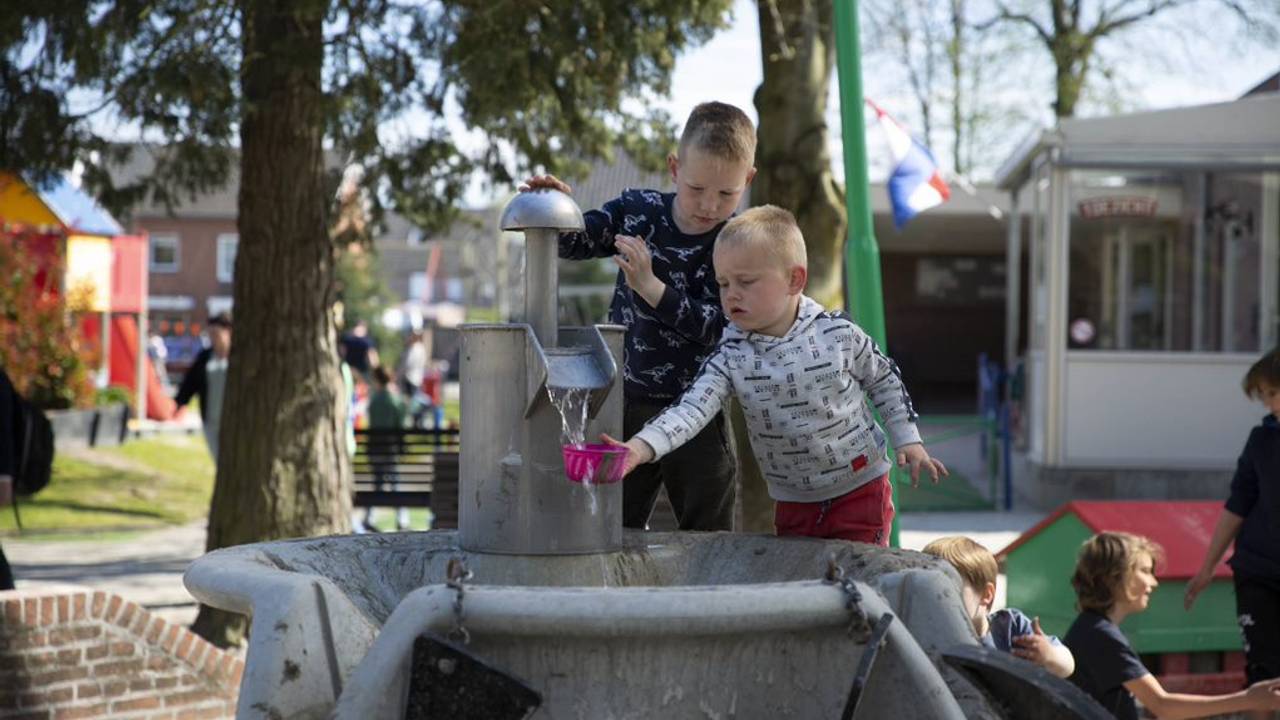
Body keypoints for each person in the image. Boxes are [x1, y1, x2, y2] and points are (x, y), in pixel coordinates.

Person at [604, 206, 946, 546]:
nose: (730, 294)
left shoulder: (838, 333)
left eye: (745, 281)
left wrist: (908, 439)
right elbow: (690, 411)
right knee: (800, 584)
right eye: (722, 283)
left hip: (860, 486)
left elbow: (883, 379)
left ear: (795, 279)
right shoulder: (730, 356)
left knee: (858, 579)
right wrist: (639, 447)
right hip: (793, 500)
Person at [521, 101, 757, 532]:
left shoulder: (737, 241)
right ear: (674, 168)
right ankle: (614, 601)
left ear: (748, 180)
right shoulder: (638, 211)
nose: (708, 205)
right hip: (625, 408)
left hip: (698, 413)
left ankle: (706, 602)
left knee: (708, 535)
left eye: (727, 194)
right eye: (697, 188)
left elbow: (722, 328)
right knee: (610, 526)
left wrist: (652, 289)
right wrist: (551, 207)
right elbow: (574, 242)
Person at [1064, 532, 1280, 720]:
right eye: (1145, 571)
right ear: (1115, 577)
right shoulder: (1101, 635)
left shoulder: (1092, 629)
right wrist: (1249, 699)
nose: (1154, 582)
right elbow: (1163, 706)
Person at [1185, 348, 1280, 720]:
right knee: (1263, 673)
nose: (1268, 403)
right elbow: (1236, 506)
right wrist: (1207, 566)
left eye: (1273, 392)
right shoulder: (1261, 440)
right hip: (1257, 571)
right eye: (1263, 395)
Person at [922, 536, 1074, 678]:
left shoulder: (1011, 630)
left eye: (950, 590)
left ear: (986, 595)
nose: (937, 598)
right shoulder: (926, 632)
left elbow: (1067, 666)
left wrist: (1049, 656)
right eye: (929, 589)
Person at [174, 313, 232, 463]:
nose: (213, 338)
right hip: (211, 418)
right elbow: (190, 382)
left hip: (232, 419)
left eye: (216, 334)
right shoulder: (205, 357)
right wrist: (180, 402)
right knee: (219, 460)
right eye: (210, 334)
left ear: (228, 332)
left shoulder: (238, 357)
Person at [363, 365, 408, 531]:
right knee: (395, 483)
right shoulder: (396, 401)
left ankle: (369, 516)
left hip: (375, 451)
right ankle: (402, 518)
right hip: (390, 451)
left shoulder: (374, 401)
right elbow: (401, 428)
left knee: (378, 483)